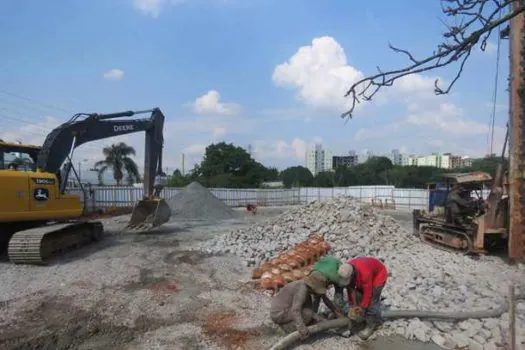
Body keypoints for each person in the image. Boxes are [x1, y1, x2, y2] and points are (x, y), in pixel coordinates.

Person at [270, 271, 344, 339]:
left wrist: (333, 313)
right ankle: (287, 328)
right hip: (279, 313)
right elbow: (295, 310)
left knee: (309, 313)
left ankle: (292, 324)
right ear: (313, 287)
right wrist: (302, 328)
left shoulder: (306, 287)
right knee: (308, 314)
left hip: (285, 309)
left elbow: (324, 298)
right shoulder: (301, 290)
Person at [338, 256, 388, 340]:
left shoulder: (365, 273)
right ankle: (362, 318)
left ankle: (370, 326)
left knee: (372, 302)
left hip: (378, 276)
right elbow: (350, 289)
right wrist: (353, 305)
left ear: (352, 275)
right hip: (363, 275)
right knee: (358, 295)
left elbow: (368, 293)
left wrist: (362, 307)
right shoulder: (347, 269)